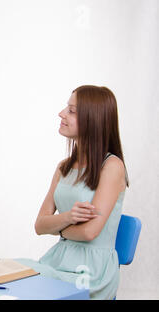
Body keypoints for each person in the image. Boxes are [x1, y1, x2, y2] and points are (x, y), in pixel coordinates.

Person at [15, 85, 129, 299]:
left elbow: (89, 232)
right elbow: (40, 225)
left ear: (92, 119)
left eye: (72, 110)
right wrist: (68, 218)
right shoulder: (63, 167)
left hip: (91, 272)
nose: (61, 114)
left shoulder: (112, 166)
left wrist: (58, 227)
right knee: (8, 272)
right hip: (58, 260)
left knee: (23, 282)